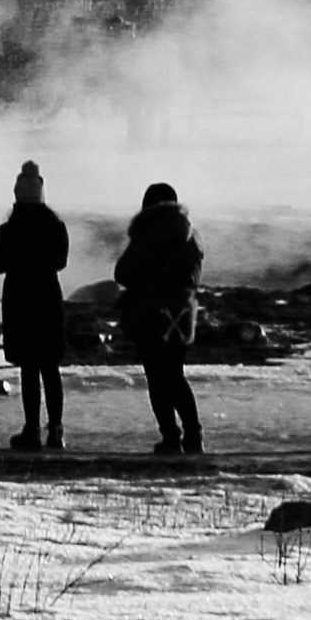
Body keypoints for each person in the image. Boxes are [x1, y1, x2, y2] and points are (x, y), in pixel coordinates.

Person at [0, 161, 72, 452]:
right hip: (48, 297)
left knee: (28, 368)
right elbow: (61, 262)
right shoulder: (56, 225)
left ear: (17, 195)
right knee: (50, 368)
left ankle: (32, 429)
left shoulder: (8, 228)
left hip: (19, 299)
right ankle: (57, 431)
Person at [116, 183, 207, 457]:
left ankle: (170, 437)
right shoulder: (192, 236)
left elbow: (124, 272)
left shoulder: (147, 232)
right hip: (180, 313)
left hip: (149, 312)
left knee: (156, 377)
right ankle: (194, 435)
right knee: (176, 375)